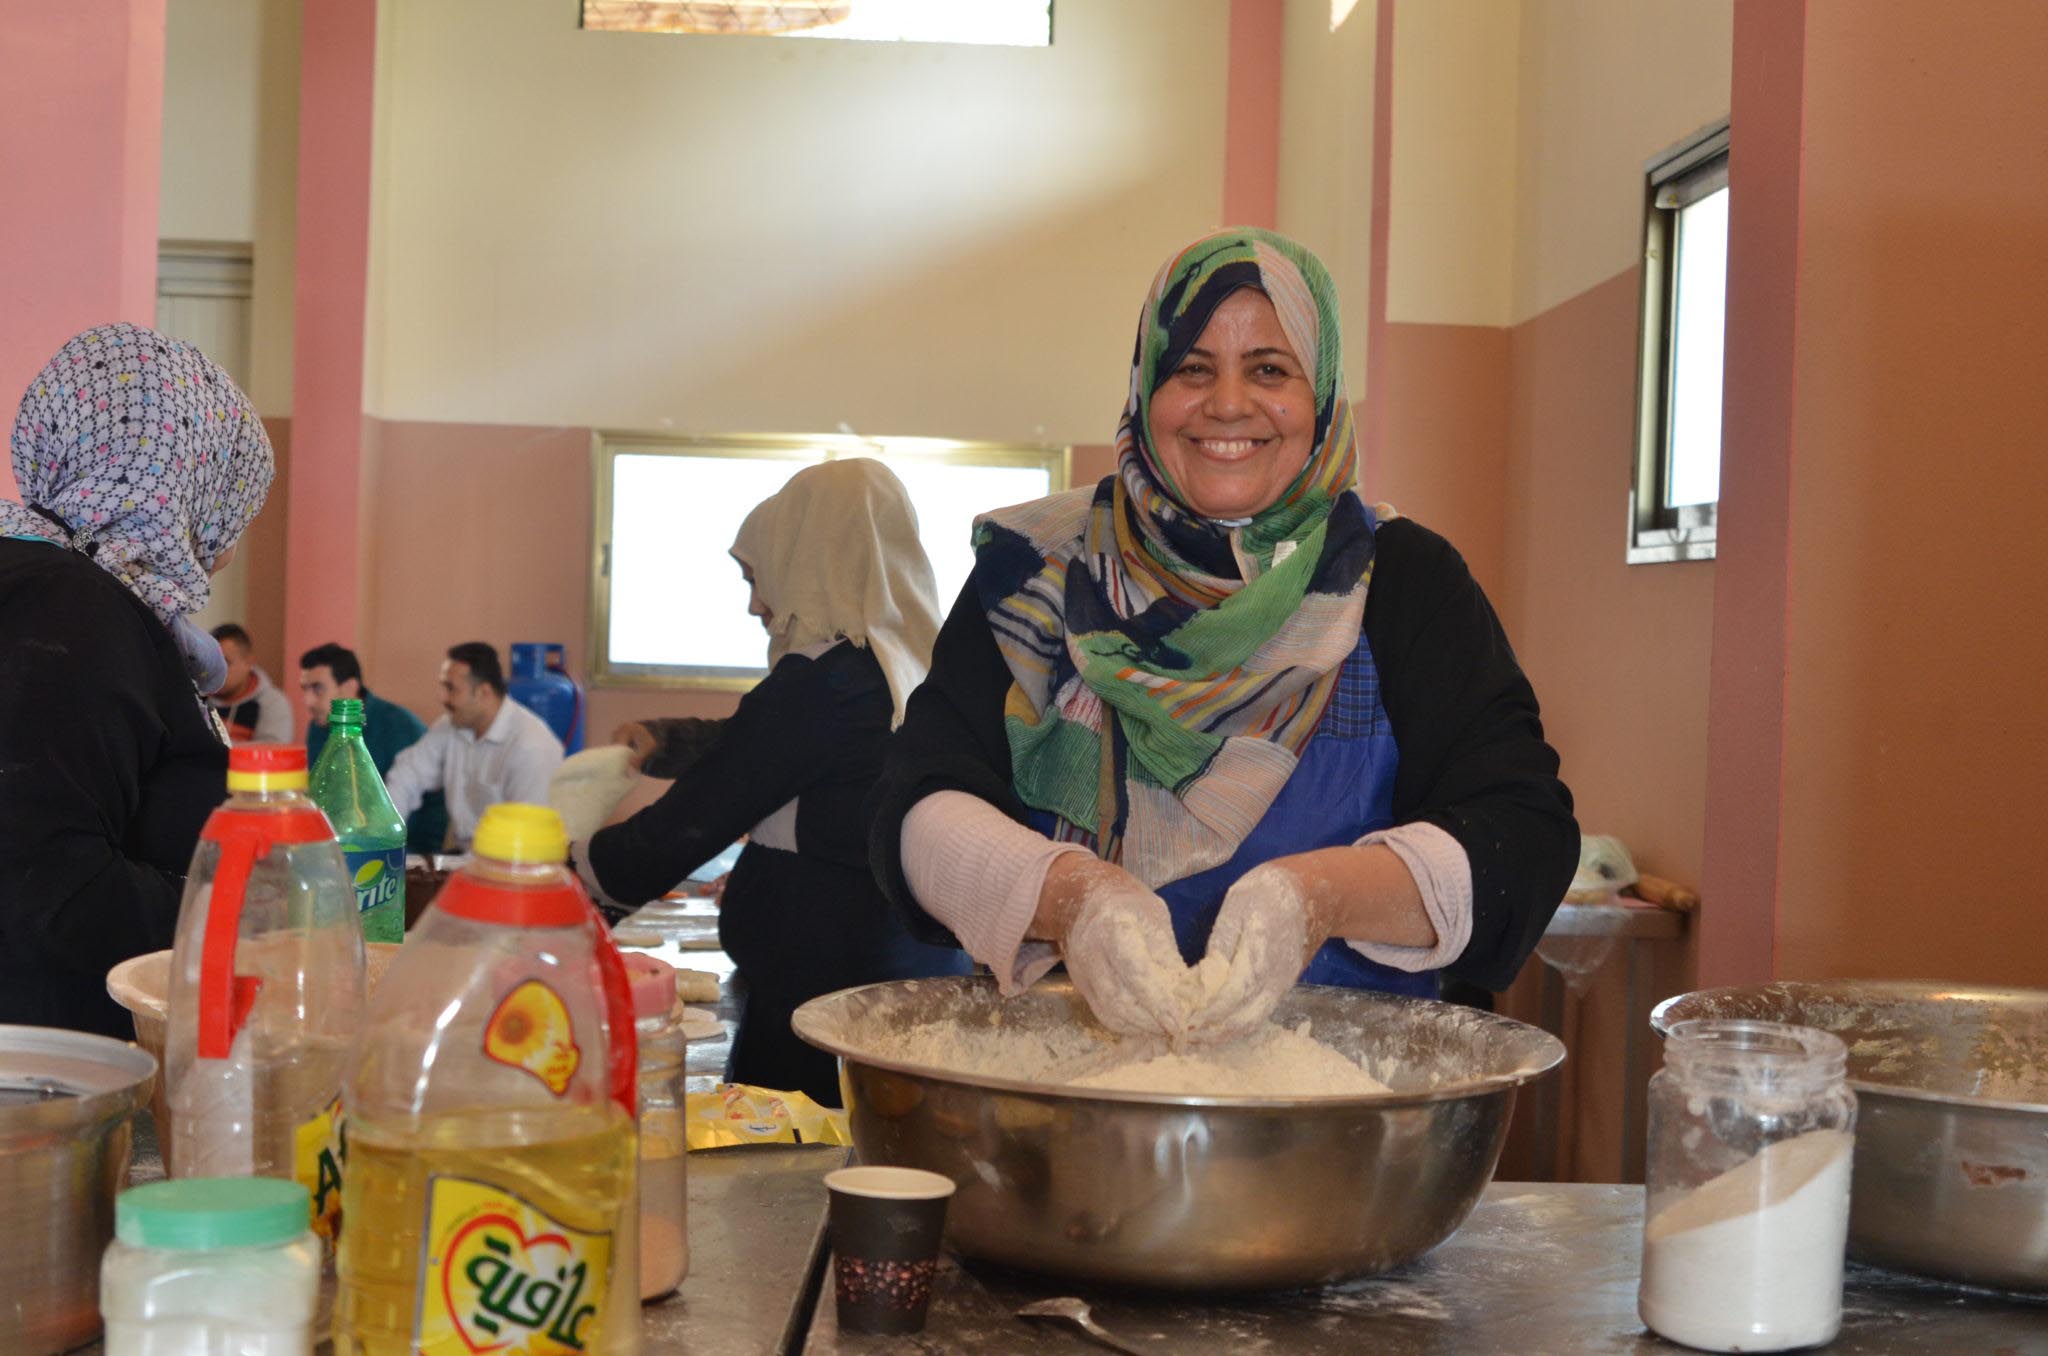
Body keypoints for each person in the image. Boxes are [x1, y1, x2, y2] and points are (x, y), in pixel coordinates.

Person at [869, 229, 1578, 1043]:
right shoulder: (1036, 572)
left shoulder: (1406, 583)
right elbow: (914, 805)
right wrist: (1073, 899)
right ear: (1145, 389)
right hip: (1069, 1094)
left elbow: (1522, 834)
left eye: (1270, 370)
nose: (1229, 404)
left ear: (1323, 394)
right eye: (1191, 368)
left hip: (1347, 1113)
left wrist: (1318, 896)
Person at [578, 459, 970, 1105]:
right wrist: (670, 742)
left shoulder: (826, 682)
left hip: (826, 1002)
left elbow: (711, 803)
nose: (757, 603)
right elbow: (769, 751)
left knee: (799, 1169)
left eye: (761, 576)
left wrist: (587, 875)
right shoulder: (912, 667)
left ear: (807, 554)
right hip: (909, 979)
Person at [0, 323, 274, 1035]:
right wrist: (249, 909)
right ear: (186, 482)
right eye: (231, 500)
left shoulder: (58, 588)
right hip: (43, 1083)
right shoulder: (71, 607)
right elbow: (48, 889)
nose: (229, 543)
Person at [383, 642, 565, 851]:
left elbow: (529, 839)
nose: (441, 697)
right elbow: (407, 775)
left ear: (484, 693)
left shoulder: (532, 746)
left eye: (451, 688)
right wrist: (385, 839)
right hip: (465, 860)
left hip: (509, 866)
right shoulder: (451, 726)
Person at [299, 641, 450, 854]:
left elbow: (424, 808)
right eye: (304, 689)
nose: (308, 701)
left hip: (401, 849)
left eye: (317, 689)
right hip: (342, 843)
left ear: (350, 687)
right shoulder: (318, 727)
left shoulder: (399, 725)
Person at [208, 622, 294, 743]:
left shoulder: (272, 703)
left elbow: (271, 753)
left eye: (226, 663)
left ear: (249, 662)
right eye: (211, 662)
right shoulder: (195, 698)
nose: (216, 670)